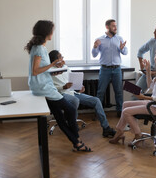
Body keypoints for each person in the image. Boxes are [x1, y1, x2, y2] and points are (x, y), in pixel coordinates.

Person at [25, 20, 91, 152]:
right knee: (71, 110)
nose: (52, 33)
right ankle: (77, 139)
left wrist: (55, 69)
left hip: (42, 85)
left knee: (60, 118)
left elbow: (41, 70)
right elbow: (35, 71)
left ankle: (77, 143)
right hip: (44, 87)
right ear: (47, 32)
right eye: (52, 30)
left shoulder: (39, 47)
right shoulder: (39, 48)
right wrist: (52, 64)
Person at [109, 48, 156, 145]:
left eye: (155, 56)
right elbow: (150, 86)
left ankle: (138, 135)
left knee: (126, 112)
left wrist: (143, 97)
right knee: (125, 104)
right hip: (154, 104)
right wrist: (148, 71)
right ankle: (119, 132)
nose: (154, 58)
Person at [48, 50, 116, 138]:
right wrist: (63, 87)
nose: (63, 58)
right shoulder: (49, 72)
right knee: (75, 100)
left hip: (73, 92)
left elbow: (72, 81)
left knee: (96, 100)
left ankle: (106, 128)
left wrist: (79, 86)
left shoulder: (66, 68)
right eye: (60, 57)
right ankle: (72, 127)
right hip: (60, 94)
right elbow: (49, 88)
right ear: (55, 60)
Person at [92, 19, 128, 117]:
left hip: (117, 69)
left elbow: (125, 53)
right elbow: (94, 55)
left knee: (119, 92)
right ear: (107, 27)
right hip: (104, 69)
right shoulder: (100, 39)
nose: (115, 28)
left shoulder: (119, 38)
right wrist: (95, 47)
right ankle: (98, 113)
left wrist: (122, 48)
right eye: (113, 26)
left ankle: (120, 112)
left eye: (116, 26)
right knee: (100, 92)